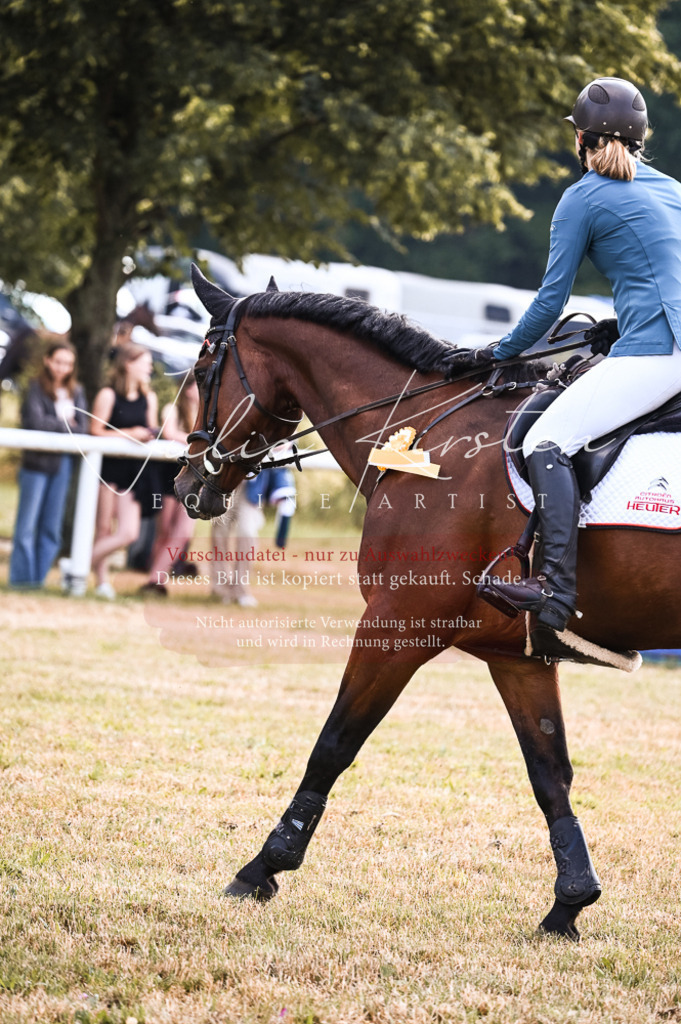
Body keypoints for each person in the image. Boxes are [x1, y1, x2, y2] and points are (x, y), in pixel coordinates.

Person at [445, 77, 681, 633]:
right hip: (657, 343)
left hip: (659, 353)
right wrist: (621, 324)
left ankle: (554, 589)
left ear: (581, 139)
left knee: (543, 440)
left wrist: (493, 353)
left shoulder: (583, 197)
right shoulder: (673, 188)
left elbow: (551, 300)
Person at [9, 342, 88, 588]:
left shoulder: (77, 391)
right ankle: (22, 582)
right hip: (35, 463)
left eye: (68, 363)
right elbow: (34, 422)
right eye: (58, 362)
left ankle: (37, 581)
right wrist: (66, 424)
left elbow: (83, 427)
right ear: (47, 360)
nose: (62, 368)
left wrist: (59, 423)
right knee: (27, 526)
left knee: (51, 527)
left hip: (62, 463)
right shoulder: (34, 387)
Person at [90, 342, 158, 598]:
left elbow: (151, 429)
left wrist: (149, 435)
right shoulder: (107, 395)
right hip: (108, 469)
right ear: (128, 364)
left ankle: (79, 562)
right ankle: (101, 582)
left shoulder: (148, 397)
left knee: (129, 532)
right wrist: (129, 434)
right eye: (145, 363)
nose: (149, 368)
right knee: (104, 527)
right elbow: (95, 430)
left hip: (134, 472)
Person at [141, 370, 200, 596]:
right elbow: (169, 432)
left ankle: (156, 577)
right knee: (165, 531)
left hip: (195, 476)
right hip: (169, 474)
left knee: (183, 531)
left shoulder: (209, 412)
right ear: (187, 388)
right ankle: (154, 578)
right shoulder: (173, 409)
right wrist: (199, 442)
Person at [210, 461, 296, 607]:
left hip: (252, 484)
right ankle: (220, 588)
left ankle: (241, 589)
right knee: (220, 533)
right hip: (224, 478)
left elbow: (287, 443)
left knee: (247, 533)